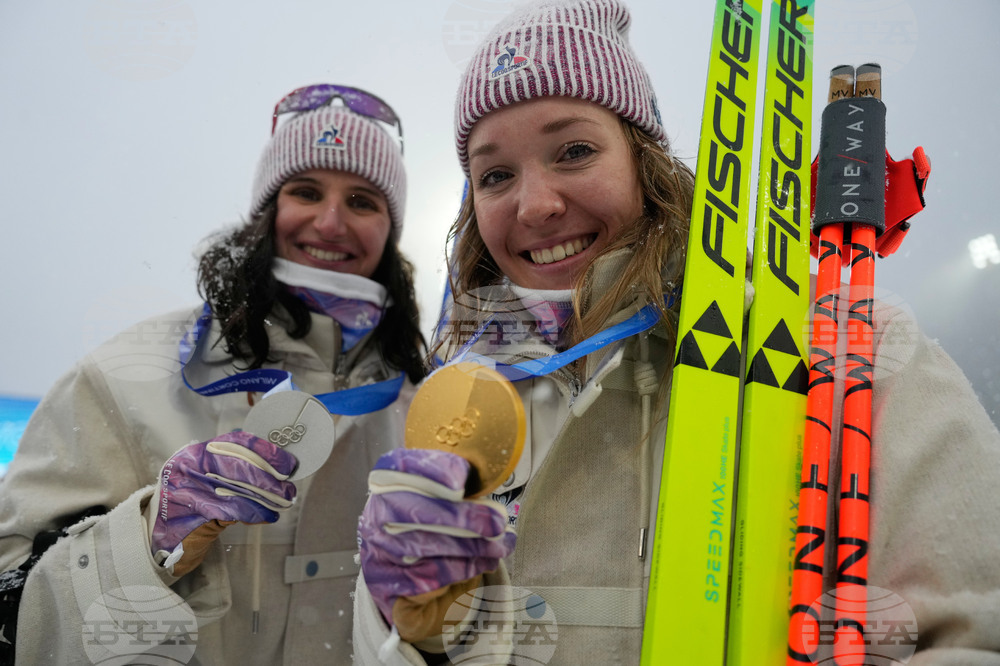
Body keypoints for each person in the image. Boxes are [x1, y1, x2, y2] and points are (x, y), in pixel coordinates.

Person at [351, 1, 1000, 664]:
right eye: (495, 175)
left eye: (574, 151)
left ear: (645, 163)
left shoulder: (849, 348)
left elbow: (976, 633)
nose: (536, 203)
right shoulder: (458, 404)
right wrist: (411, 632)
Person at [0, 83, 426, 664]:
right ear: (265, 214)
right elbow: (13, 610)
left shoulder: (421, 406)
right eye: (305, 192)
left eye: (362, 201)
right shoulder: (128, 374)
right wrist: (143, 543)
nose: (331, 222)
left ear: (389, 233)